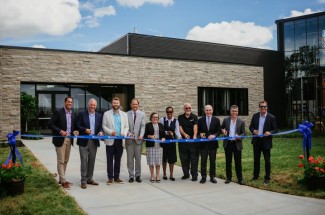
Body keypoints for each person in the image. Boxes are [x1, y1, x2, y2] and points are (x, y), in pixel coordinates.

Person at [48, 96, 78, 189]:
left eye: (71, 102)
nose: (70, 103)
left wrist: (75, 131)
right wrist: (60, 131)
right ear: (65, 103)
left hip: (69, 139)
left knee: (65, 160)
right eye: (68, 102)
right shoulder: (58, 112)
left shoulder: (73, 114)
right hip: (60, 139)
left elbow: (73, 127)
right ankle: (63, 181)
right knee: (60, 160)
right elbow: (50, 124)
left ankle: (62, 179)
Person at [76, 98, 103, 189]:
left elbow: (100, 126)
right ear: (88, 105)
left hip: (94, 141)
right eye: (91, 105)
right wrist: (85, 130)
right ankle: (83, 181)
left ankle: (89, 178)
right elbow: (77, 125)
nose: (93, 106)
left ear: (96, 106)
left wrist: (101, 132)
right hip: (83, 141)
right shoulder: (81, 114)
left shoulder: (99, 115)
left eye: (94, 105)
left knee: (92, 160)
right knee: (84, 161)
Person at [249, 100, 278, 185]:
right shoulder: (255, 116)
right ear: (259, 107)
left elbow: (275, 129)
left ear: (267, 107)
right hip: (256, 141)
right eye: (261, 106)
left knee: (267, 160)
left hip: (266, 142)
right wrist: (254, 130)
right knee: (256, 160)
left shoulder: (271, 117)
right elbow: (251, 127)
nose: (263, 108)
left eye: (264, 106)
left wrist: (270, 132)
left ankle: (267, 178)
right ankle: (255, 176)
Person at [102, 97, 129, 185]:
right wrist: (111, 132)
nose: (116, 104)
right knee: (109, 159)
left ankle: (116, 177)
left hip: (120, 140)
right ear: (112, 104)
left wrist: (124, 133)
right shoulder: (106, 114)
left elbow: (126, 127)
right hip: (110, 140)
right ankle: (110, 178)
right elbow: (104, 126)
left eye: (117, 103)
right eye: (114, 103)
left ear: (119, 104)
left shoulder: (124, 114)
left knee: (118, 159)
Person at [221, 105, 246, 185]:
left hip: (237, 144)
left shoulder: (241, 122)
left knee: (238, 162)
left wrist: (239, 137)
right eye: (233, 111)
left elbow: (244, 133)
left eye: (236, 111)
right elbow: (222, 128)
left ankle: (240, 179)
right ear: (230, 112)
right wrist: (223, 131)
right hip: (228, 144)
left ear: (237, 112)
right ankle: (228, 178)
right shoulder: (226, 120)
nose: (234, 113)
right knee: (228, 162)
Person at [198, 105, 221, 184]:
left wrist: (214, 135)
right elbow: (198, 131)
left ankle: (212, 177)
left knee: (212, 161)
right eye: (207, 110)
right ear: (204, 111)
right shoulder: (200, 120)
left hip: (213, 145)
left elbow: (219, 131)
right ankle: (203, 177)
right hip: (203, 145)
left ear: (212, 110)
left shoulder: (216, 120)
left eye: (210, 110)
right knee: (203, 161)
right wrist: (200, 134)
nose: (208, 112)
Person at [125, 98, 146, 183]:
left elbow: (143, 126)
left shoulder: (142, 114)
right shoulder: (126, 114)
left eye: (136, 104)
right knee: (130, 159)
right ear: (131, 105)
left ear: (138, 105)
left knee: (138, 159)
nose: (134, 106)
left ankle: (138, 175)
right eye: (133, 104)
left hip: (138, 141)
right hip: (129, 141)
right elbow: (125, 126)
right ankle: (131, 176)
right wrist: (129, 134)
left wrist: (141, 135)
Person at [159, 106, 182, 181]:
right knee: (164, 159)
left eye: (171, 112)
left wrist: (180, 137)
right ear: (166, 112)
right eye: (168, 112)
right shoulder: (162, 119)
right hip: (164, 141)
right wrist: (167, 132)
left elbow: (177, 131)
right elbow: (161, 130)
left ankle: (171, 174)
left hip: (172, 142)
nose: (169, 113)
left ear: (173, 112)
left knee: (171, 159)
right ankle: (164, 174)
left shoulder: (176, 121)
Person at [178, 103, 199, 181]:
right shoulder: (180, 117)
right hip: (183, 142)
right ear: (184, 109)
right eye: (186, 108)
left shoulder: (194, 117)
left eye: (189, 108)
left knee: (194, 159)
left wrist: (194, 135)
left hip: (193, 142)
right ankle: (186, 174)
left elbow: (195, 126)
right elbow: (179, 127)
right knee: (184, 158)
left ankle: (194, 175)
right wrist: (184, 134)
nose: (188, 109)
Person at [144, 112, 166, 182]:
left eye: (156, 117)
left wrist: (163, 138)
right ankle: (152, 175)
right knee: (151, 162)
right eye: (154, 117)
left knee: (158, 162)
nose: (155, 118)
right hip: (150, 146)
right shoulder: (148, 125)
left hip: (159, 146)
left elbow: (164, 135)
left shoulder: (161, 125)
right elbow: (144, 135)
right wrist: (150, 136)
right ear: (151, 118)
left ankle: (157, 175)